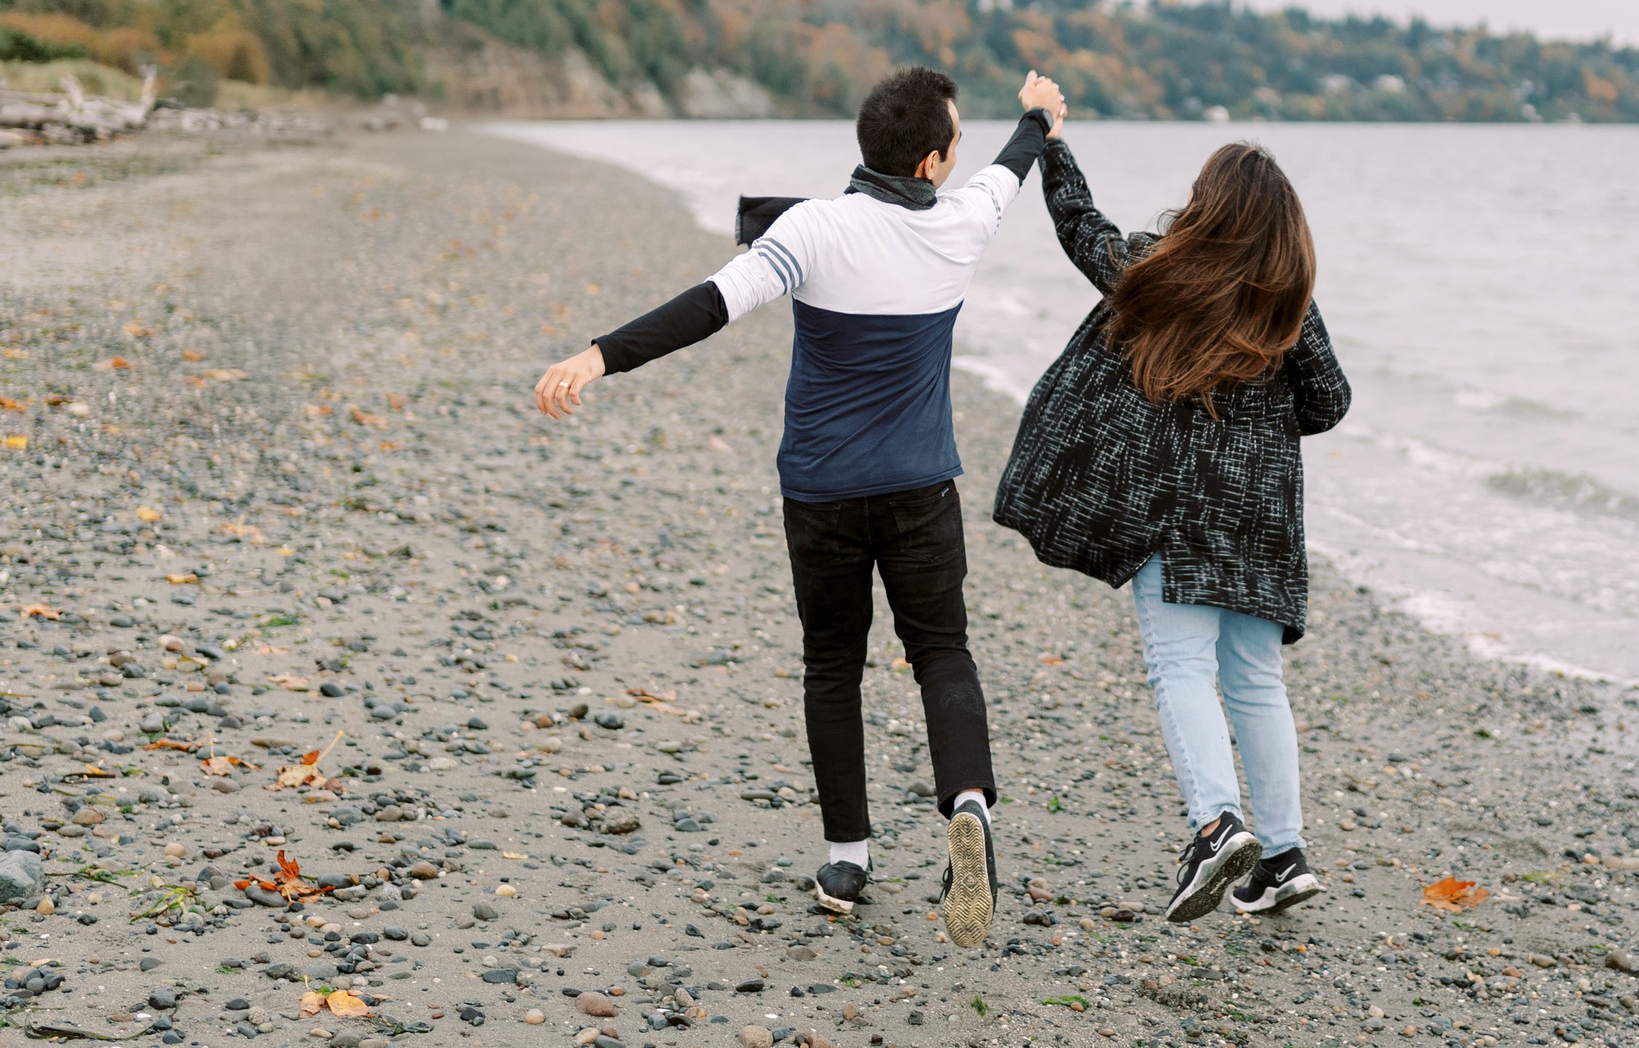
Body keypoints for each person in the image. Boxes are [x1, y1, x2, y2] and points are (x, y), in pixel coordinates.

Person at [534, 66, 1066, 950]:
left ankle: (848, 854)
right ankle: (966, 803)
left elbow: (710, 305)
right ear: (934, 161)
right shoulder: (964, 223)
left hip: (820, 491)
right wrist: (1038, 116)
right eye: (955, 143)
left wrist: (599, 355)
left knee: (832, 663)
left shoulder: (809, 228)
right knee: (941, 650)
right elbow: (1010, 166)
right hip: (922, 487)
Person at [993, 131, 1349, 922]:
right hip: (1265, 520)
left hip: (1181, 511)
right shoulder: (1290, 300)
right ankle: (1283, 855)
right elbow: (1330, 400)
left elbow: (1081, 226)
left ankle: (1218, 825)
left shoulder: (1162, 271)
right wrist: (1265, 410)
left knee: (1180, 664)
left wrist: (1050, 143)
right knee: (1257, 680)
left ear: (1207, 204)